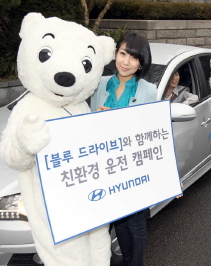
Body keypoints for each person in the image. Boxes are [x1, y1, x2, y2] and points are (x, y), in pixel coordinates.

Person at [90, 32, 156, 266]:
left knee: (135, 223)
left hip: (134, 167)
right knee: (115, 219)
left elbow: (152, 134)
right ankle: (120, 260)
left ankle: (134, 263)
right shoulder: (98, 84)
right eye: (123, 53)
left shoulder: (149, 91)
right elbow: (86, 124)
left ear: (141, 63)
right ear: (116, 53)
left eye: (134, 57)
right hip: (105, 165)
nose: (126, 62)